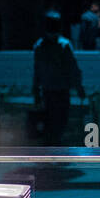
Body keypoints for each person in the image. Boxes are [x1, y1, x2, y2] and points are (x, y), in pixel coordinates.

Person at [32, 11, 84, 146]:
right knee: (60, 121)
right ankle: (56, 149)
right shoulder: (64, 45)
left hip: (48, 90)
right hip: (61, 89)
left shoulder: (39, 46)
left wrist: (36, 91)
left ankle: (49, 151)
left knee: (49, 122)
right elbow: (73, 69)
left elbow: (37, 71)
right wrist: (79, 87)